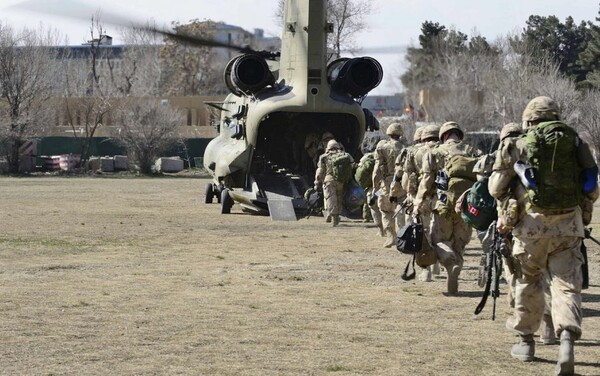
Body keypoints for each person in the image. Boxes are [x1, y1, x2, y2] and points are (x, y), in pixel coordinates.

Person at [488, 96, 598, 375]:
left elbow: (496, 188)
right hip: (568, 226)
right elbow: (592, 189)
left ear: (529, 119)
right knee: (566, 285)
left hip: (530, 227)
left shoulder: (516, 144)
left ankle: (526, 341)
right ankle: (566, 339)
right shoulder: (575, 143)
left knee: (528, 281)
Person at [413, 121, 481, 294]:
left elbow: (427, 180)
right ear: (459, 135)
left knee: (439, 241)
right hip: (467, 205)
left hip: (442, 205)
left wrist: (418, 202)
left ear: (443, 136)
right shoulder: (473, 151)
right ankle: (455, 269)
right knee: (460, 243)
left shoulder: (434, 152)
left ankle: (449, 262)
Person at [404, 124, 440, 282]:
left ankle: (426, 269)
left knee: (423, 233)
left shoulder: (414, 152)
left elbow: (410, 175)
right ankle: (438, 262)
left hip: (422, 195)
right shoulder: (444, 150)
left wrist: (411, 195)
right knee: (439, 231)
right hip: (442, 197)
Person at [373, 122, 407, 247]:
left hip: (385, 184)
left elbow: (376, 170)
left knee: (385, 210)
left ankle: (390, 237)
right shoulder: (405, 148)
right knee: (400, 207)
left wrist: (374, 189)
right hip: (401, 182)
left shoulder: (382, 147)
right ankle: (401, 235)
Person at [314, 139, 354, 227]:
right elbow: (352, 165)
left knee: (330, 198)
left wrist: (317, 181)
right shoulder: (346, 155)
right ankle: (337, 216)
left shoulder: (324, 157)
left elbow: (320, 170)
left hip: (329, 180)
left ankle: (333, 217)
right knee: (339, 198)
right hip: (341, 180)